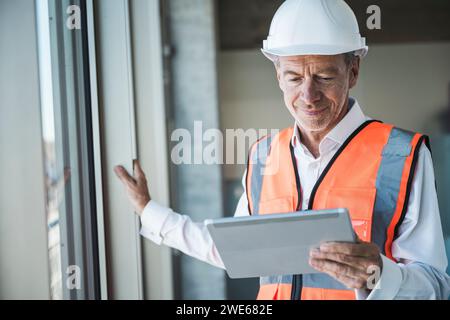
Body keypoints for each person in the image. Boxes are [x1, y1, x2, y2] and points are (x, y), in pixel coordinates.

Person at [114, 0, 450, 300]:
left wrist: (380, 274)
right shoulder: (263, 157)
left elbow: (436, 286)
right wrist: (149, 211)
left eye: (323, 76)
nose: (308, 95)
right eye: (293, 78)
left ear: (353, 71)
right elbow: (235, 250)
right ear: (278, 76)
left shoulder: (402, 155)